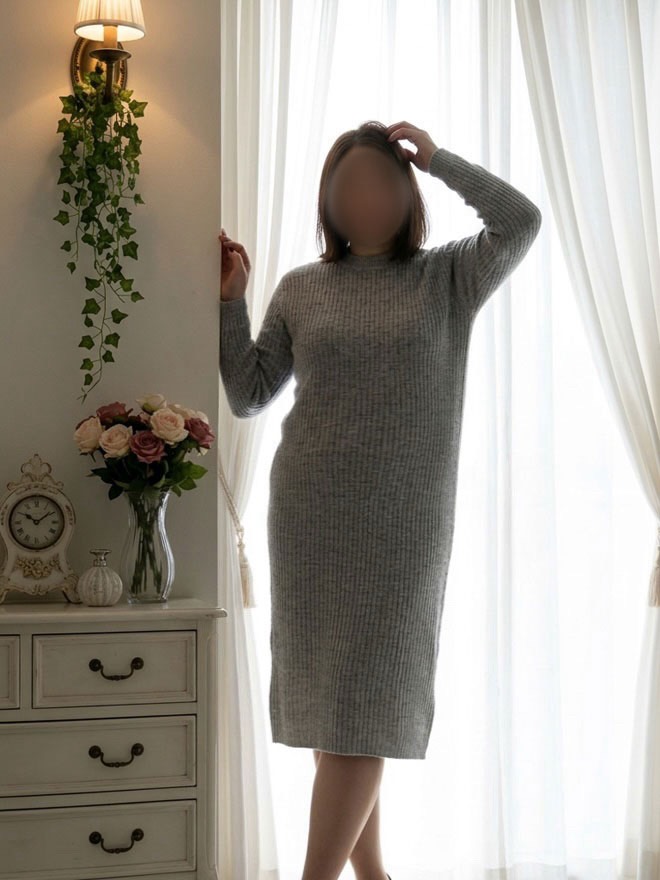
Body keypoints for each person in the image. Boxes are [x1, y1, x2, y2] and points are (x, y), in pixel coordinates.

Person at [218, 120, 542, 880]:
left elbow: (521, 221)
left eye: (382, 182)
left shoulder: (450, 278)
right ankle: (374, 876)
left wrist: (439, 159)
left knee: (368, 707)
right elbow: (248, 393)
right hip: (309, 519)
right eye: (349, 185)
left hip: (404, 532)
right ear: (328, 200)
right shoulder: (301, 287)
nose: (364, 197)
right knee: (335, 710)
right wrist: (231, 302)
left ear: (408, 192)